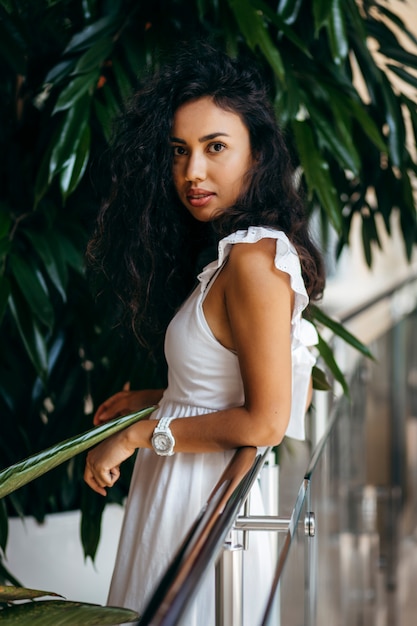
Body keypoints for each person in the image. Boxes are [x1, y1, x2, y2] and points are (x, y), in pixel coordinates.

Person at [84, 41, 325, 625]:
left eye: (215, 147)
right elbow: (253, 388)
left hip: (197, 496)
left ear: (257, 153)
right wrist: (157, 399)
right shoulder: (236, 254)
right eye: (179, 151)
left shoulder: (252, 258)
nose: (192, 172)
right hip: (184, 486)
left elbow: (268, 419)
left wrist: (143, 434)